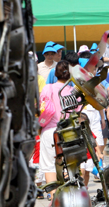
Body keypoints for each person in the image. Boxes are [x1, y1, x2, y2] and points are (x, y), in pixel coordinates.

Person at [39, 61, 74, 197]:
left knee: (49, 165)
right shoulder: (72, 91)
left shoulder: (48, 88)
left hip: (49, 131)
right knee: (67, 164)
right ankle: (67, 194)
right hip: (68, 132)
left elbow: (43, 105)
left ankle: (53, 196)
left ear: (55, 73)